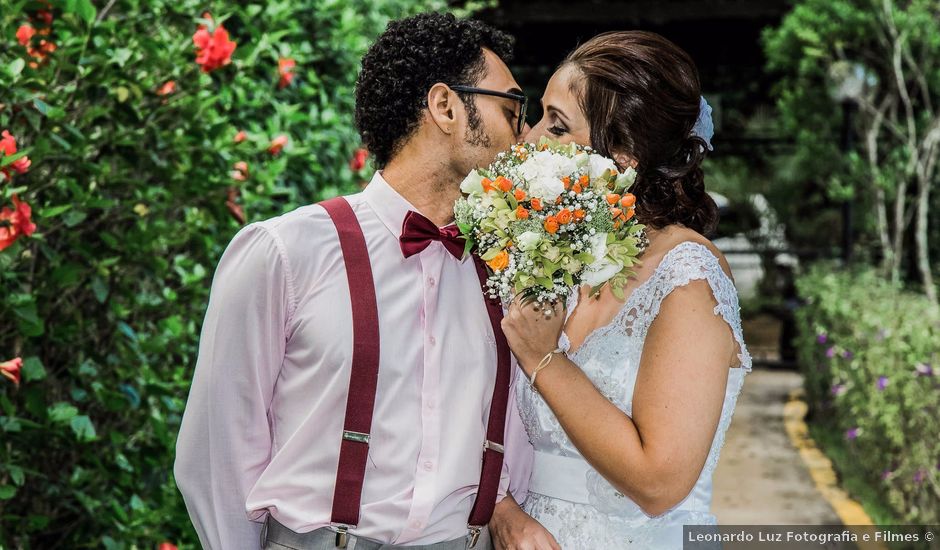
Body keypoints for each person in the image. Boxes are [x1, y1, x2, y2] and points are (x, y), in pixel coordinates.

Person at [174, 13, 544, 550]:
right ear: (445, 107)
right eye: (512, 108)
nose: (524, 131)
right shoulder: (285, 252)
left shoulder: (504, 269)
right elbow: (216, 454)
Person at [489, 31, 752, 549]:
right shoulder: (560, 255)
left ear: (624, 157)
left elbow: (659, 484)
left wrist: (545, 360)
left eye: (557, 126)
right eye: (540, 117)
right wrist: (502, 508)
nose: (530, 140)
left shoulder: (687, 277)